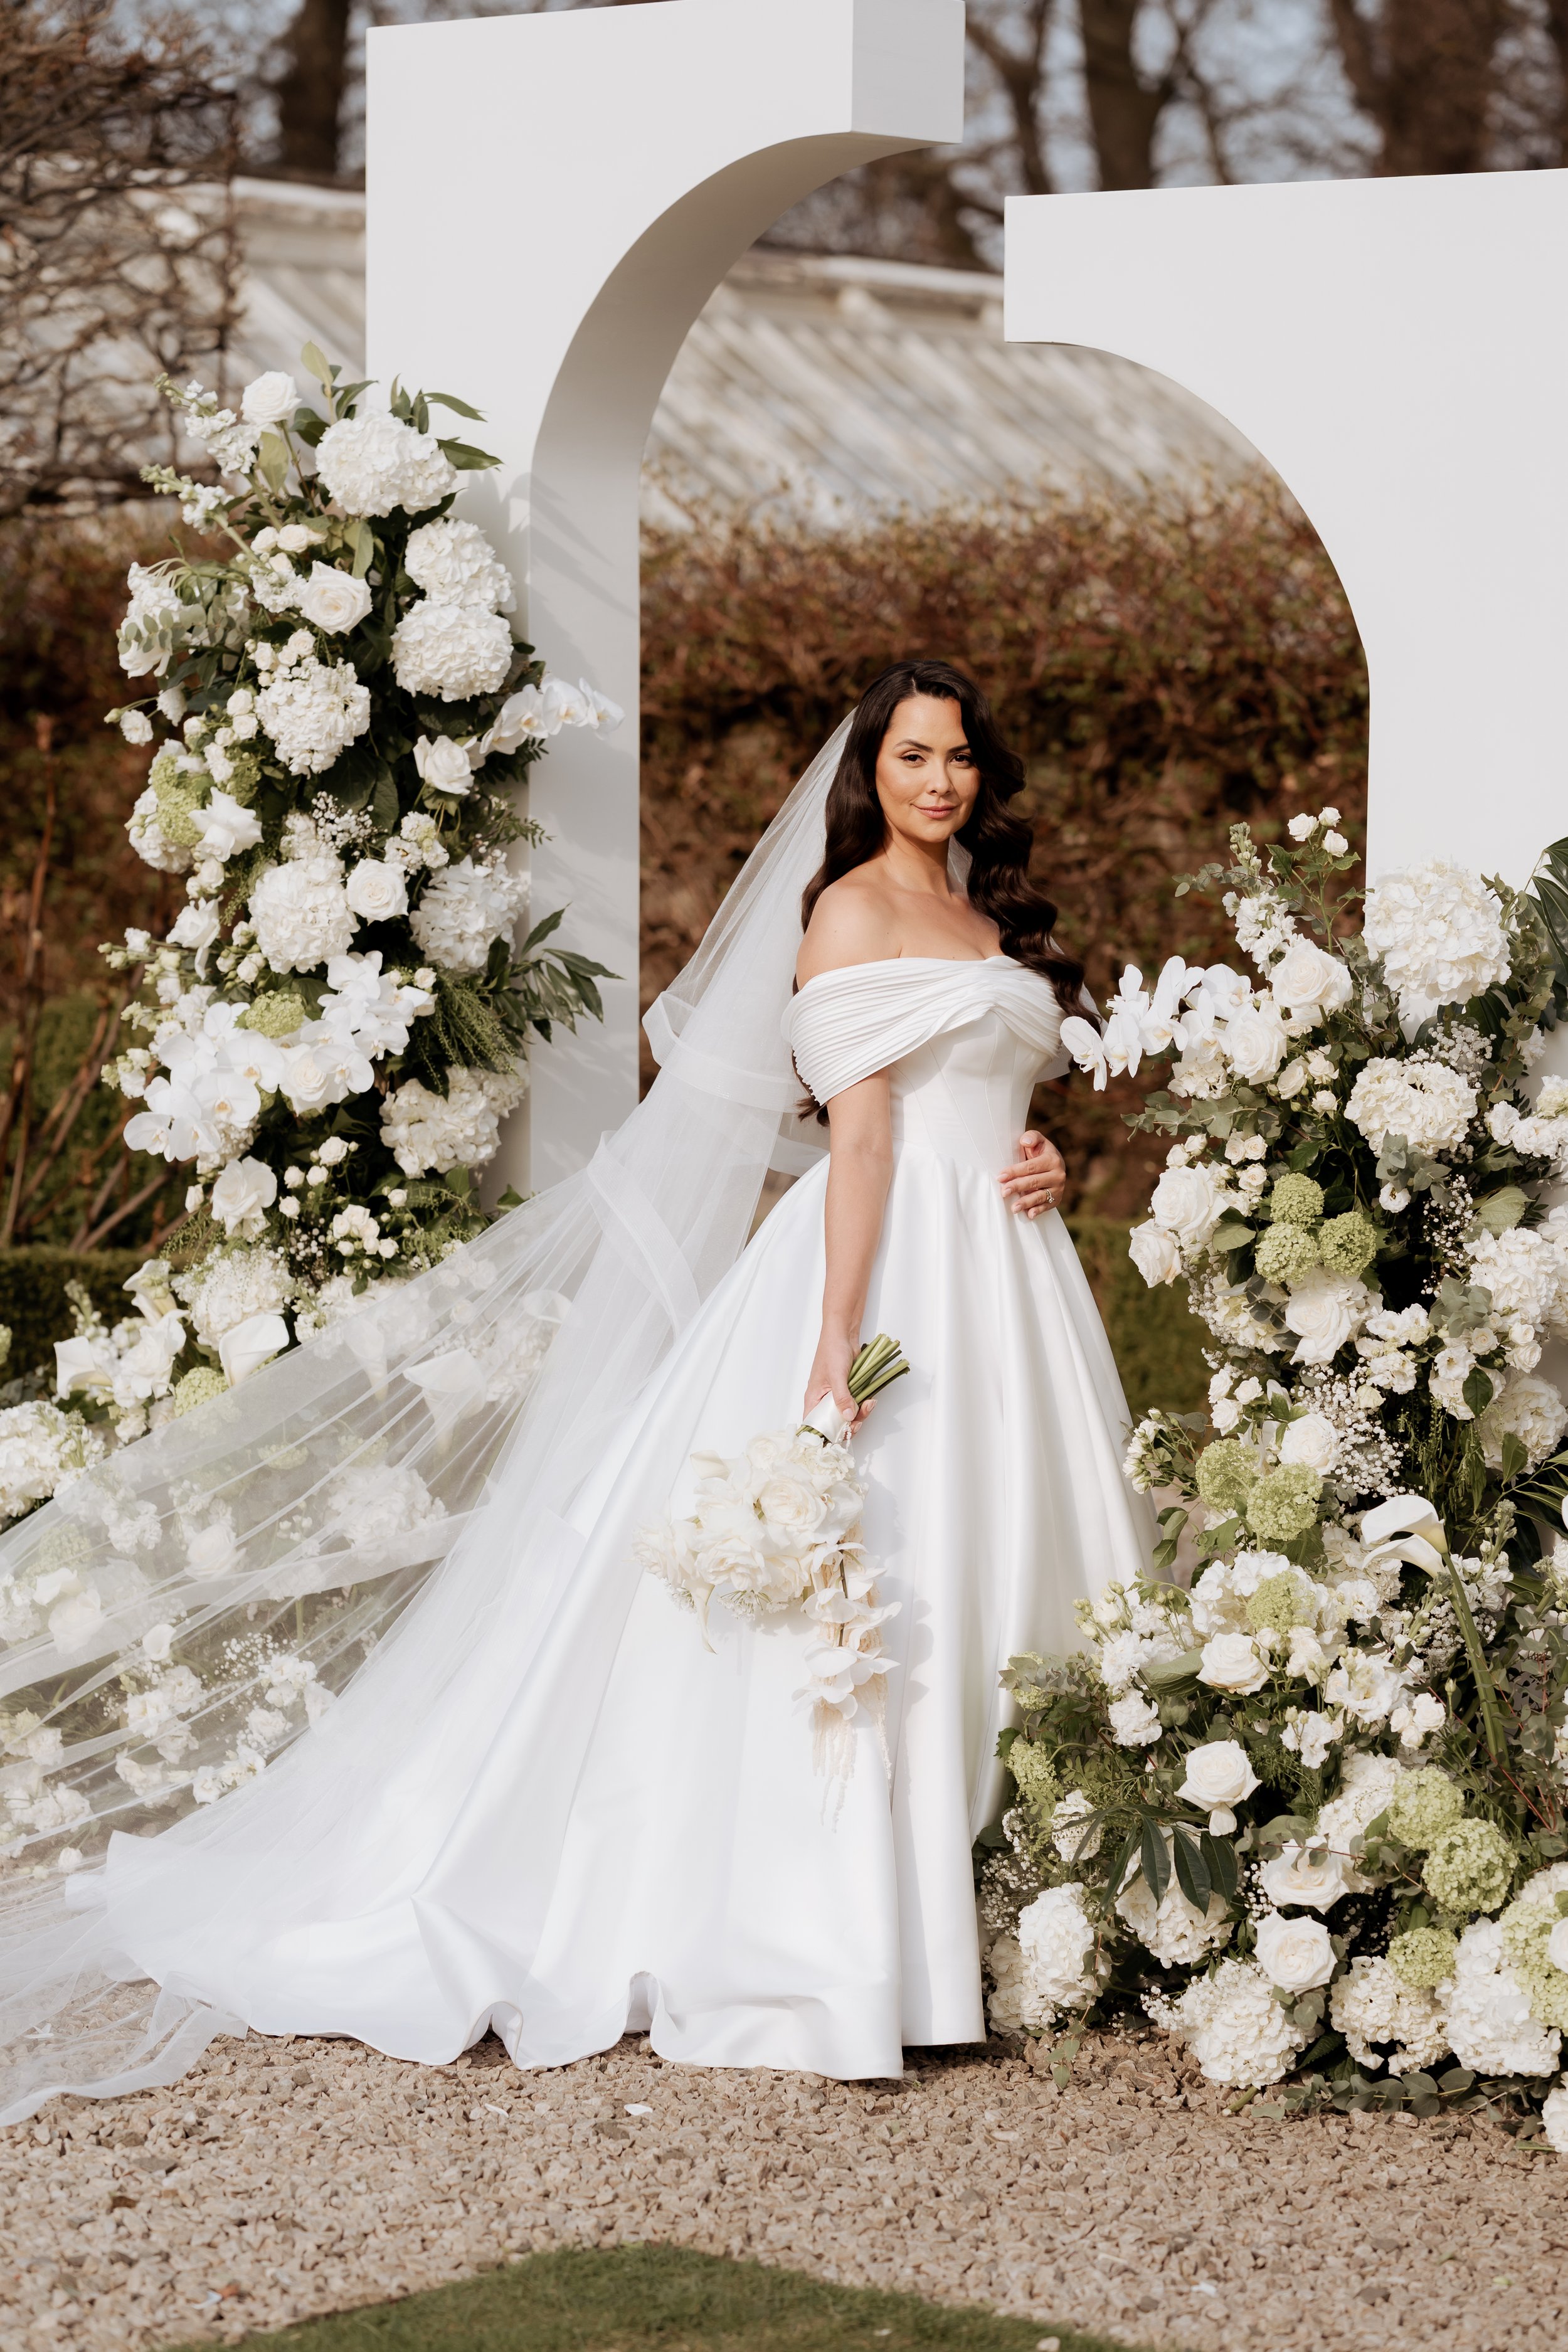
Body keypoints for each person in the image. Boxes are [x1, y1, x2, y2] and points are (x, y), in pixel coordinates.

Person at [0, 661, 1150, 2117]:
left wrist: (1044, 1165)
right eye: (914, 755)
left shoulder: (990, 923)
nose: (941, 780)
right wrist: (829, 1345)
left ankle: (1006, 1901)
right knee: (880, 1575)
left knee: (999, 1550)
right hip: (888, 1274)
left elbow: (996, 1106)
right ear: (873, 771)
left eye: (963, 757)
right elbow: (862, 1148)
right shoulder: (849, 911)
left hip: (1007, 1268)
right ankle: (857, 1932)